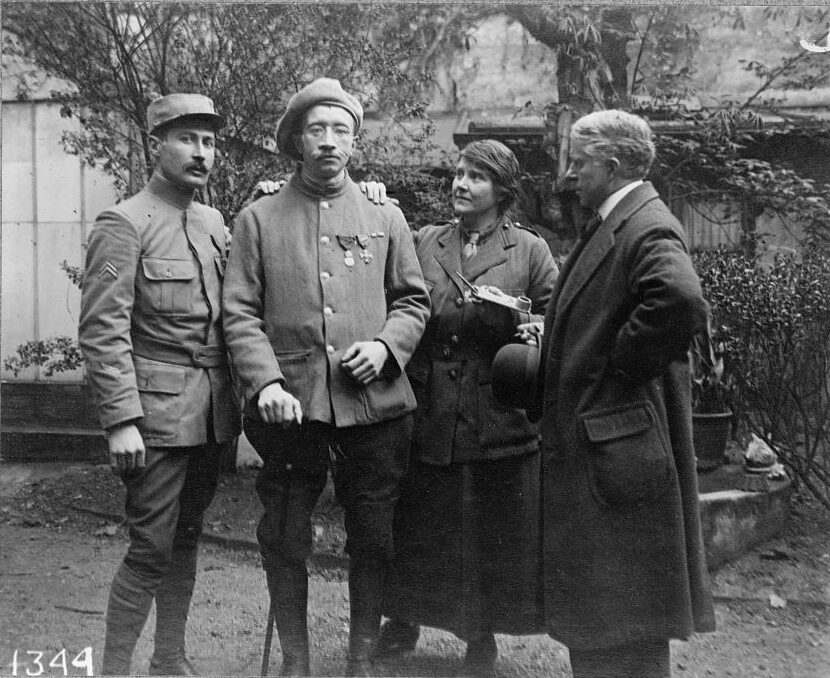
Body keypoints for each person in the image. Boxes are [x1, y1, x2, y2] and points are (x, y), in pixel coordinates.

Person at [222, 78, 430, 677]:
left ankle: (360, 657)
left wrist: (387, 348)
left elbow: (412, 300)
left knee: (374, 536)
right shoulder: (258, 218)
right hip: (292, 405)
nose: (330, 141)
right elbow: (239, 312)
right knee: (286, 535)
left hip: (374, 404)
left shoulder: (385, 214)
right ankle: (296, 658)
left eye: (342, 130)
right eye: (317, 129)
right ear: (297, 141)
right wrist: (265, 383)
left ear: (355, 141)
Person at [532, 110, 716, 677]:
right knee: (605, 617)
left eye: (579, 163)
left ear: (612, 167)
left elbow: (680, 300)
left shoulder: (647, 224)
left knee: (623, 621)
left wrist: (616, 371)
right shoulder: (618, 219)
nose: (569, 174)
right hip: (606, 446)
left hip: (618, 446)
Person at [376, 139, 558, 676]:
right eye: (458, 173)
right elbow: (396, 298)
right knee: (417, 519)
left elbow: (557, 314)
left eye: (476, 176)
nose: (460, 183)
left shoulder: (529, 251)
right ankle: (402, 618)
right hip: (427, 406)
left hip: (494, 411)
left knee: (484, 528)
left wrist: (536, 328)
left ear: (501, 190)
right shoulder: (424, 240)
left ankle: (481, 634)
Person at [78, 93, 241, 676]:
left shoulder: (213, 223)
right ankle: (114, 668)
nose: (202, 153)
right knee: (150, 547)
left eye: (209, 142)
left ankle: (168, 658)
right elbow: (103, 331)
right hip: (154, 417)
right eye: (187, 139)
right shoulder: (123, 223)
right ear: (157, 145)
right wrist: (121, 421)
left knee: (187, 538)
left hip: (211, 414)